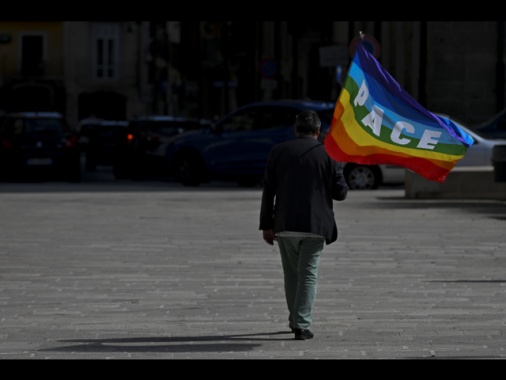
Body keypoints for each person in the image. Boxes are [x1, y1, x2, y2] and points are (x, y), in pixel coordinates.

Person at [259, 110, 349, 341]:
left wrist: (266, 225)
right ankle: (301, 324)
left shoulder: (278, 151)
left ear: (296, 129)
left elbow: (269, 191)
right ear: (318, 131)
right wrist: (339, 168)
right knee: (308, 274)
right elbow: (340, 193)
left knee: (292, 275)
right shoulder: (329, 154)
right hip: (315, 225)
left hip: (285, 224)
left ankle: (295, 320)